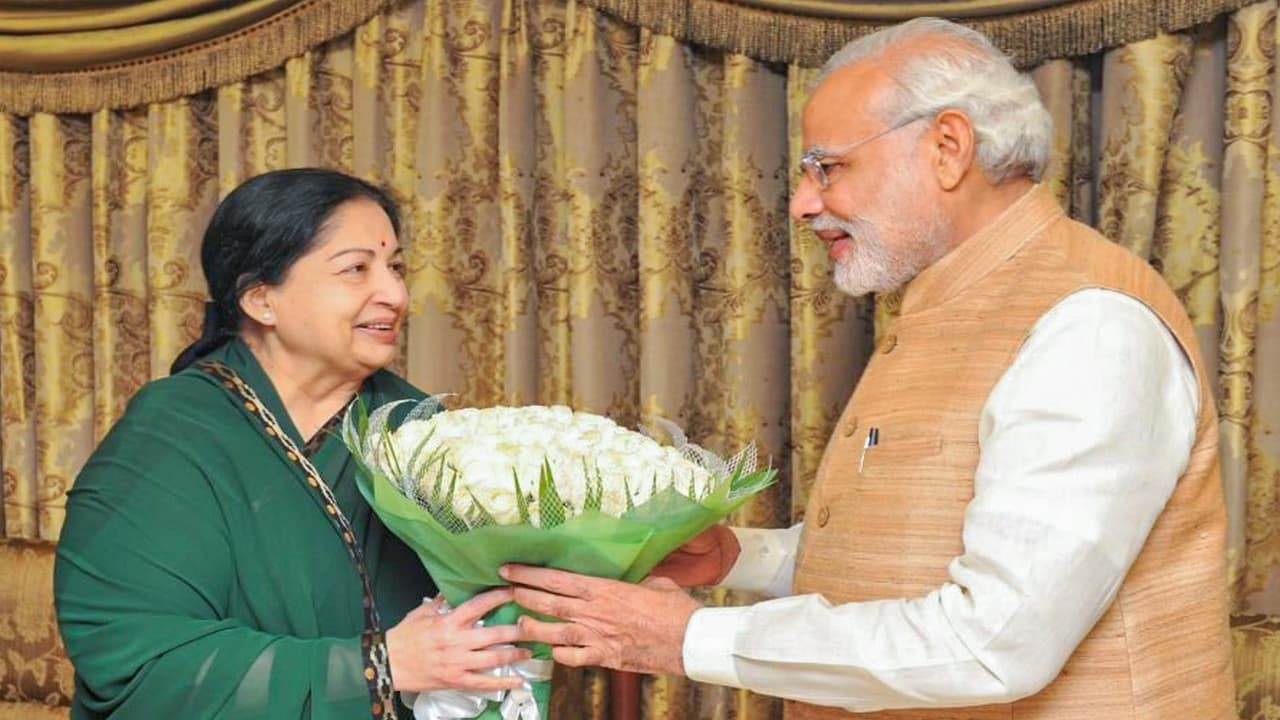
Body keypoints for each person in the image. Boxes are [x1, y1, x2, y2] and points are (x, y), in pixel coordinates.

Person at [501, 17, 1235, 718]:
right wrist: (737, 558)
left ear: (949, 147)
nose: (801, 203)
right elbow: (921, 552)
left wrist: (688, 638)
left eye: (828, 166)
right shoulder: (940, 304)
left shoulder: (1090, 325)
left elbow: (994, 642)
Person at [55, 168, 528, 719]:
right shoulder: (172, 436)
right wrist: (378, 666)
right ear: (261, 300)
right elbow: (138, 663)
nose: (395, 293)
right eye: (356, 269)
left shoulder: (419, 431)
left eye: (395, 267)